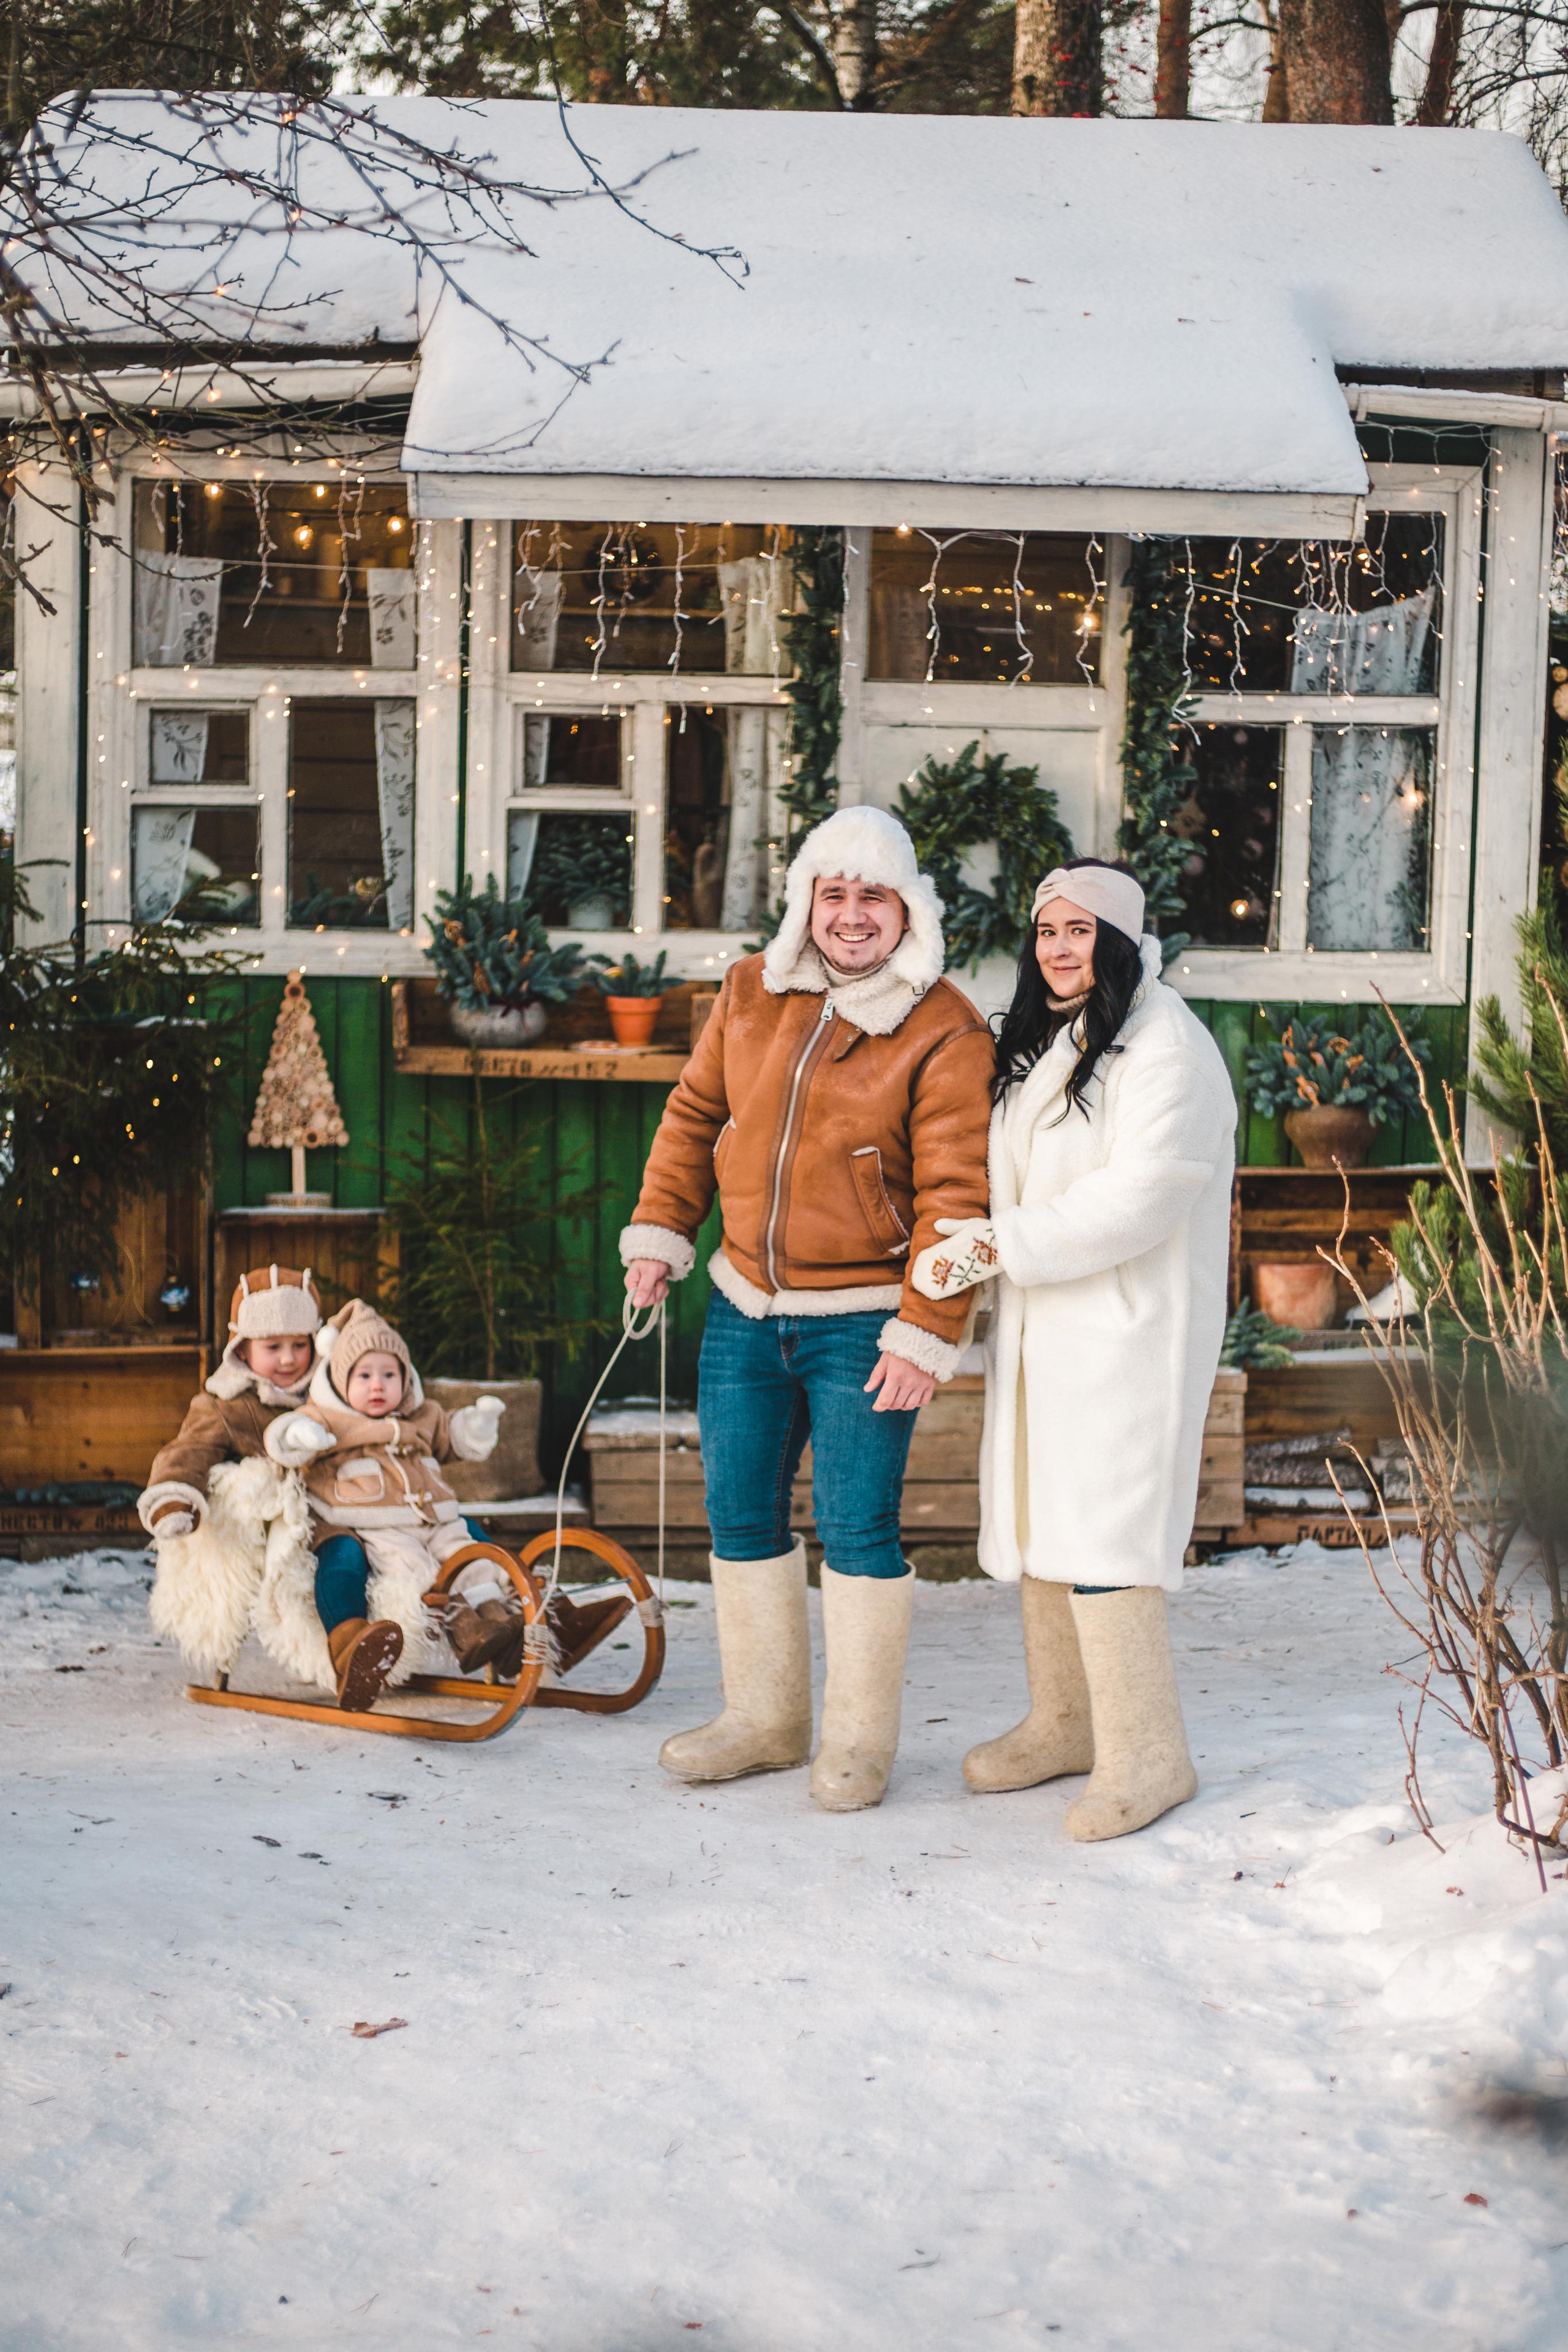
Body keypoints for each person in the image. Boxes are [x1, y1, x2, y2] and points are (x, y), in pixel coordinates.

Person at [622, 805, 994, 1811]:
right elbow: (697, 1116)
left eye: (874, 894)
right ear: (808, 903)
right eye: (835, 892)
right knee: (738, 1510)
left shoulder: (945, 1024)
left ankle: (859, 1744)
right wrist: (662, 1235)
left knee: (855, 1527)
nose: (852, 914)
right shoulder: (752, 990)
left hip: (869, 1320)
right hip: (747, 1302)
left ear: (907, 907)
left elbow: (962, 1197)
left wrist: (929, 1326)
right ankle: (766, 1720)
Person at [913, 859, 1235, 1841]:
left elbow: (1138, 1196)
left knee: (1105, 1536)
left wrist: (996, 1247)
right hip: (1047, 1334)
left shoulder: (1166, 1046)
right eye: (1047, 931)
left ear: (1122, 941)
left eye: (1081, 930)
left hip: (1123, 1335)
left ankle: (1149, 1755)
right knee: (1049, 1525)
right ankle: (1065, 1723)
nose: (1059, 947)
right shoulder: (1048, 1039)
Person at [140, 1264, 323, 1541]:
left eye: (300, 1345)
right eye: (273, 1347)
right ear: (242, 1350)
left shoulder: (326, 1394)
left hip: (325, 1522)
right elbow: (191, 1449)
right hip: (256, 1532)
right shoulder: (227, 1404)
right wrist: (174, 1495)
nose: (288, 1359)